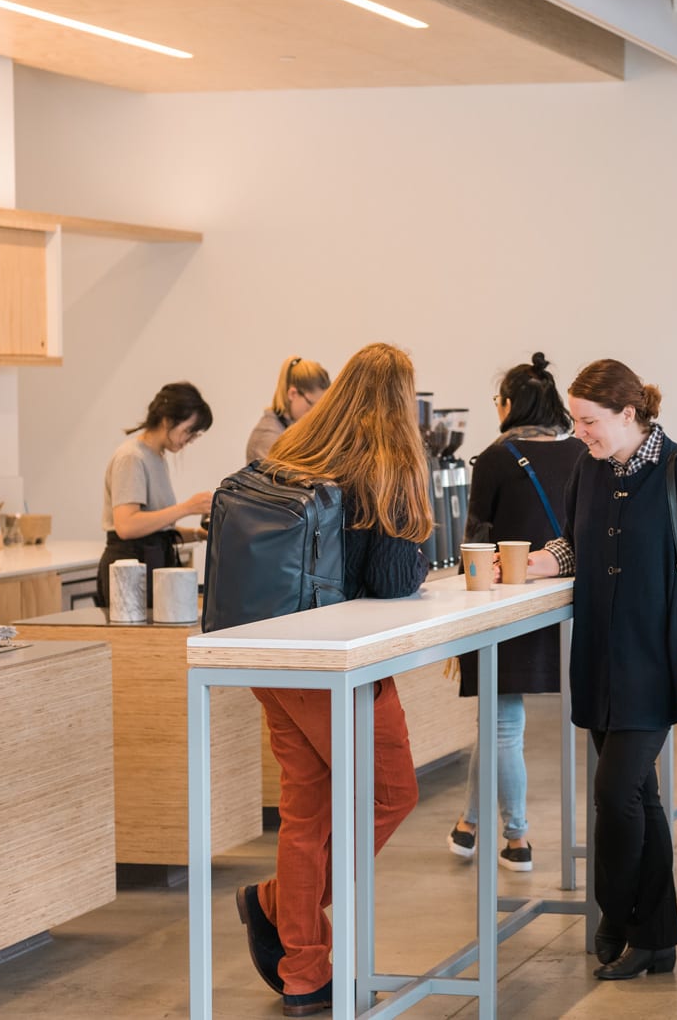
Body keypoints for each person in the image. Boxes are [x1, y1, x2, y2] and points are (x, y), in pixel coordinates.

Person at [229, 343, 434, 1017]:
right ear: (400, 401)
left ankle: (305, 974)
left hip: (271, 651)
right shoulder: (389, 459)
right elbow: (393, 580)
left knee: (306, 807)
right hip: (337, 664)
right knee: (391, 790)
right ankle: (273, 908)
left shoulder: (298, 444)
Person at [512, 360, 677, 980]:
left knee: (613, 793)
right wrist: (525, 566)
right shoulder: (588, 467)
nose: (580, 432)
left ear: (628, 413)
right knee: (639, 795)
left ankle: (617, 915)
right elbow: (572, 546)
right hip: (599, 655)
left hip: (656, 657)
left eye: (589, 421)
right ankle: (655, 938)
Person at [445, 354, 585, 873]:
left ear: (508, 405)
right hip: (566, 610)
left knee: (502, 725)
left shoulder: (496, 458)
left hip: (503, 608)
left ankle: (518, 836)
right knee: (497, 726)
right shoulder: (581, 452)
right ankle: (469, 825)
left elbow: (476, 542)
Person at [98, 381, 214, 607]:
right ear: (168, 421)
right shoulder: (131, 457)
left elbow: (156, 526)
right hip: (129, 569)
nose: (189, 440)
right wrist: (187, 508)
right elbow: (127, 526)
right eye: (189, 431)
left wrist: (199, 534)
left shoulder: (157, 456)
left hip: (151, 560)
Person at [245, 355, 332, 464]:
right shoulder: (267, 437)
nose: (315, 414)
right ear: (293, 394)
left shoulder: (292, 427)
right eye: (312, 405)